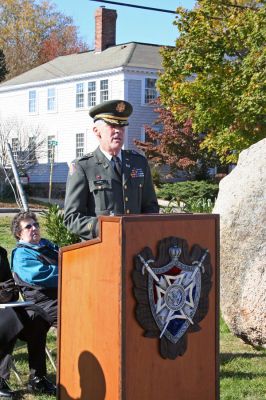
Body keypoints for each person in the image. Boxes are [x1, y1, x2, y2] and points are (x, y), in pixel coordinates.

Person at [64, 99, 159, 239]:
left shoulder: (138, 163)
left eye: (121, 127)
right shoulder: (83, 167)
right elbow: (72, 218)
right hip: (101, 247)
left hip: (136, 244)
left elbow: (150, 207)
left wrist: (143, 229)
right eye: (112, 126)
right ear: (97, 132)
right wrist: (104, 228)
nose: (117, 131)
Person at [0, 245, 56, 398]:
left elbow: (10, 288)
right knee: (9, 318)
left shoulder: (1, 253)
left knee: (35, 317)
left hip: (3, 306)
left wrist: (7, 292)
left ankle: (37, 378)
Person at [11, 211, 58, 329]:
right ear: (19, 233)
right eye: (28, 226)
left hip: (64, 293)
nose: (34, 228)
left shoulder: (46, 244)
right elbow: (41, 276)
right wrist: (72, 272)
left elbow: (68, 257)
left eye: (36, 225)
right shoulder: (21, 255)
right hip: (46, 302)